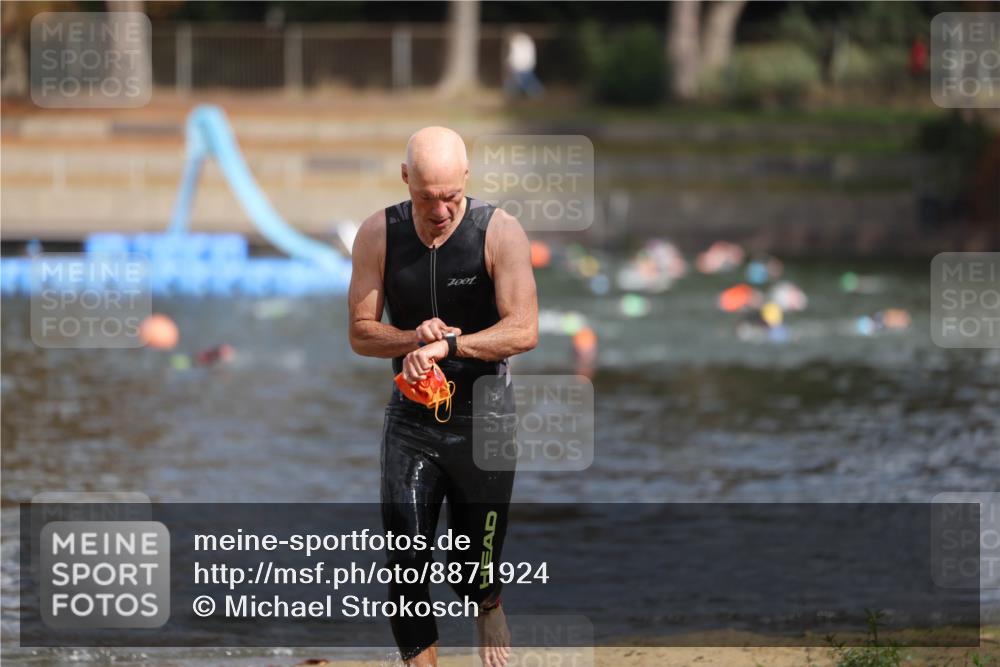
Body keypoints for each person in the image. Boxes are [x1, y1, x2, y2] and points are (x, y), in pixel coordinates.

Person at [348, 127, 539, 667]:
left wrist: (450, 344)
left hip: (487, 419)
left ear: (467, 179)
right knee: (407, 559)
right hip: (412, 418)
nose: (439, 211)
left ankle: (488, 601)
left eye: (450, 197)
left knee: (469, 566)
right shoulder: (377, 234)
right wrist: (413, 339)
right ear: (406, 179)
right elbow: (361, 332)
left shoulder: (499, 232)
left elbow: (523, 330)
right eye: (426, 198)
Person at [504, 31, 544, 99]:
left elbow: (515, 55)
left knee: (524, 81)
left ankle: (538, 93)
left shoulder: (518, 42)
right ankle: (537, 93)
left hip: (521, 66)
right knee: (524, 81)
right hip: (524, 65)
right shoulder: (525, 42)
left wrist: (510, 63)